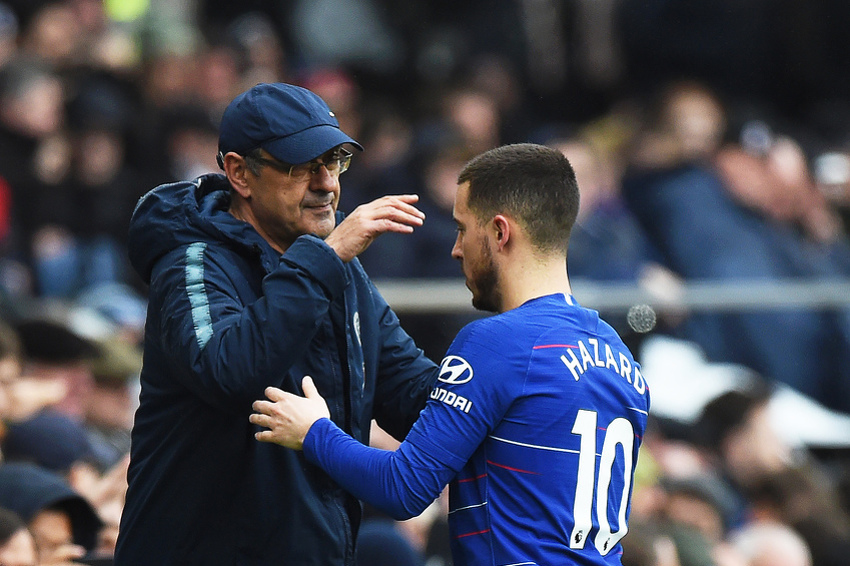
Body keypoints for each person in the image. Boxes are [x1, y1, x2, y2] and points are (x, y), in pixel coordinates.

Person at [252, 143, 651, 565]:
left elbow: (404, 487)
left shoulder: (498, 342)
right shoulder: (621, 357)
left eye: (463, 229)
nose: (456, 248)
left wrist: (315, 432)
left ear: (500, 232)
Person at [115, 82, 440, 565]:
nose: (327, 183)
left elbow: (412, 394)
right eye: (302, 166)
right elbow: (231, 371)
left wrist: (502, 375)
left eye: (334, 162)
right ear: (239, 173)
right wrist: (326, 260)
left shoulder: (338, 268)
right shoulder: (192, 264)